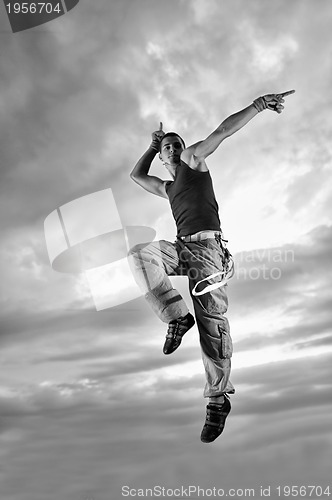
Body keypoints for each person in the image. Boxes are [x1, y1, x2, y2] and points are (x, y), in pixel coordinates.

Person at [128, 90, 295, 443]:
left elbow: (221, 132)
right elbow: (135, 176)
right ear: (161, 158)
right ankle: (176, 316)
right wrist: (151, 145)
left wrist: (259, 105)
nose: (173, 149)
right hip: (181, 249)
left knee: (212, 326)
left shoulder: (193, 162)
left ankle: (218, 400)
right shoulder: (167, 186)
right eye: (167, 148)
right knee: (141, 254)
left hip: (208, 252)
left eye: (176, 144)